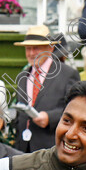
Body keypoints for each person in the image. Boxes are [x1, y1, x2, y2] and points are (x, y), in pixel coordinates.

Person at [12, 25, 80, 153]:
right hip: (23, 150)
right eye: (28, 48)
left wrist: (50, 118)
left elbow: (76, 109)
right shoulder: (23, 76)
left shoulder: (67, 74)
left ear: (50, 48)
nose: (31, 53)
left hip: (52, 148)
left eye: (36, 48)